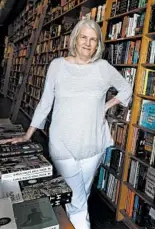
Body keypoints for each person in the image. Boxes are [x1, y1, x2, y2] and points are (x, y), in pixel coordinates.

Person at [0, 19, 132, 229]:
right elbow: (45, 102)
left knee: (81, 194)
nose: (88, 43)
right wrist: (28, 134)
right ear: (75, 39)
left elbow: (126, 89)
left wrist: (105, 107)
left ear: (98, 44)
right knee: (78, 199)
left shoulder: (103, 68)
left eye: (93, 39)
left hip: (93, 144)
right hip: (62, 144)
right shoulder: (57, 66)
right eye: (83, 38)